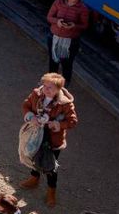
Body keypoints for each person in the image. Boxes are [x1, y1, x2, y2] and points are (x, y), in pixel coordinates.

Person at [21, 73, 78, 207]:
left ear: (58, 89)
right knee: (34, 155)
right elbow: (26, 105)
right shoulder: (37, 94)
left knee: (50, 166)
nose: (46, 89)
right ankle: (34, 178)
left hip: (53, 140)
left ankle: (51, 191)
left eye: (50, 87)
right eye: (45, 86)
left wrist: (58, 125)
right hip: (36, 134)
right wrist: (30, 116)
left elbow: (73, 121)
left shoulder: (65, 104)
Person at [47, 0, 90, 83]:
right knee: (53, 62)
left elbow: (84, 25)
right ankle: (50, 85)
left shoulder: (83, 9)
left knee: (67, 65)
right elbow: (49, 17)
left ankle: (63, 87)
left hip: (71, 42)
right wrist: (57, 21)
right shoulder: (58, 2)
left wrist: (74, 25)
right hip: (54, 38)